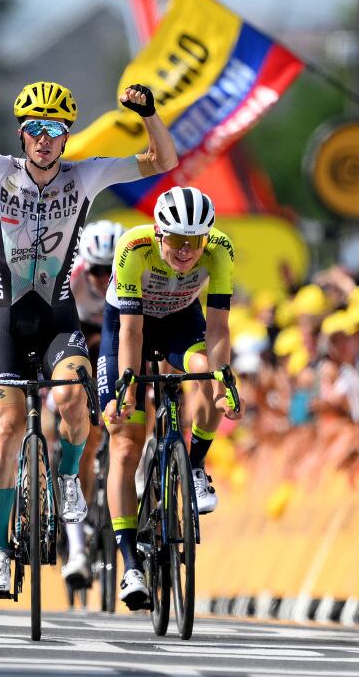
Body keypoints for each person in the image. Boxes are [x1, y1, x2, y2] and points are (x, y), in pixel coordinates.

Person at [0, 80, 178, 598]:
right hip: (6, 318)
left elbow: (161, 160)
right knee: (7, 429)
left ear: (66, 135)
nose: (44, 139)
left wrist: (149, 114)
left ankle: (70, 478)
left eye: (55, 130)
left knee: (76, 400)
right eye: (35, 128)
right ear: (22, 133)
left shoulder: (86, 174)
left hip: (58, 317)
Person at [99, 186, 242, 609]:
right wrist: (128, 384)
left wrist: (225, 381)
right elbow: (130, 332)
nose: (185, 251)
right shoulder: (134, 247)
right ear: (160, 233)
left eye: (194, 242)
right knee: (125, 441)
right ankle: (129, 566)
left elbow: (218, 329)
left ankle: (194, 465)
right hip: (129, 325)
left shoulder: (220, 250)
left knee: (210, 380)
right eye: (177, 240)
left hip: (181, 321)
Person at [58, 219, 123, 587]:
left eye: (110, 269)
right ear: (85, 266)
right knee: (68, 428)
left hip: (115, 334)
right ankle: (77, 545)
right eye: (97, 269)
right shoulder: (73, 281)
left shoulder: (132, 275)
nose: (103, 277)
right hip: (77, 334)